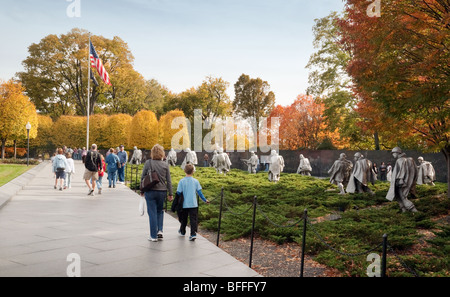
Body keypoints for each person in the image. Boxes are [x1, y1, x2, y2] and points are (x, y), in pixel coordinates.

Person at [141, 144, 173, 242]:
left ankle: (153, 236)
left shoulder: (148, 163)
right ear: (162, 153)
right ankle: (160, 230)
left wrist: (142, 190)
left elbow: (143, 177)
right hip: (162, 191)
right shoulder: (165, 164)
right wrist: (170, 193)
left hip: (150, 191)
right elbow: (169, 180)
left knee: (152, 213)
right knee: (160, 211)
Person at [175, 163, 210, 241]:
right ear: (193, 171)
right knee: (193, 219)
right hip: (193, 204)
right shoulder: (195, 181)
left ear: (184, 171)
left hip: (184, 204)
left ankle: (183, 231)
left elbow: (178, 192)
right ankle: (193, 234)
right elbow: (199, 193)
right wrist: (205, 200)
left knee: (184, 219)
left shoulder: (182, 181)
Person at [386, 147, 418, 212]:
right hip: (406, 181)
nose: (392, 155)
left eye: (393, 153)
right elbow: (415, 171)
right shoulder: (409, 160)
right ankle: (404, 210)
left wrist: (400, 179)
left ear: (397, 153)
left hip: (401, 182)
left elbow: (401, 171)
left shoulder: (400, 160)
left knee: (403, 197)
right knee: (398, 196)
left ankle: (414, 210)